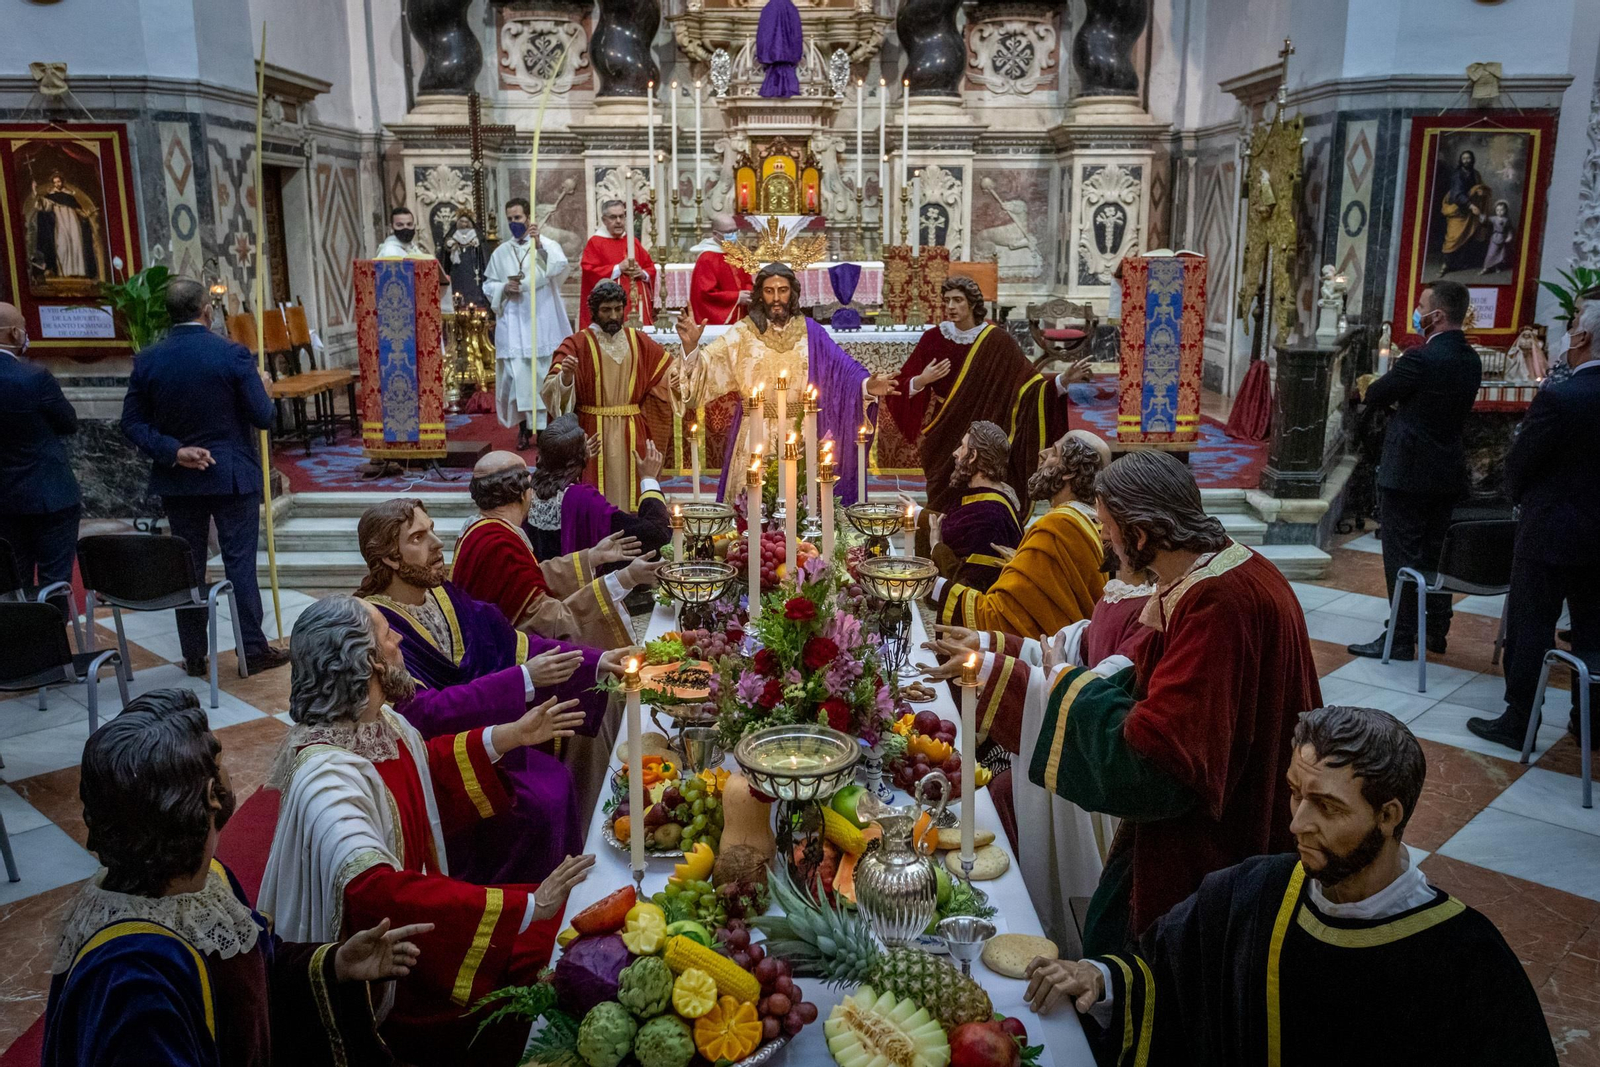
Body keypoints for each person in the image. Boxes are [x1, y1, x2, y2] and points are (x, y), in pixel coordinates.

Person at [1023, 706, 1557, 1066]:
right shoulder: (1254, 891)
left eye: (1326, 806)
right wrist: (1099, 979)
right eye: (1295, 794)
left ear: (1389, 815)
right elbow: (1162, 978)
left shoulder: (1467, 961)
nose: (1297, 823)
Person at [260, 599, 599, 1067]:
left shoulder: (382, 723)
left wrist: (510, 736)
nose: (400, 640)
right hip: (385, 975)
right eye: (387, 635)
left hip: (420, 924)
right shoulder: (325, 777)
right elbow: (374, 889)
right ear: (366, 661)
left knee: (566, 936)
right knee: (551, 954)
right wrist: (525, 905)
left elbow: (425, 770)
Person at [1021, 450, 1321, 955]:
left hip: (1216, 842)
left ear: (1139, 536)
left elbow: (1161, 758)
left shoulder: (1216, 603)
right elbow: (1157, 684)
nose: (1105, 540)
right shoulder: (1222, 568)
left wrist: (1067, 684)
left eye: (1108, 528)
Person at [46, 687, 426, 1067]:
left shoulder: (203, 883)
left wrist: (336, 963)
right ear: (212, 795)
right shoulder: (136, 980)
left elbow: (252, 965)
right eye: (222, 761)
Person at [357, 497, 638, 827]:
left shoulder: (443, 595)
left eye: (431, 530)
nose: (437, 543)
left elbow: (512, 643)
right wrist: (521, 679)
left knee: (602, 694)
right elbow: (420, 712)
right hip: (451, 759)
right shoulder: (375, 625)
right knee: (542, 800)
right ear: (390, 557)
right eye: (418, 538)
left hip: (497, 724)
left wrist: (598, 660)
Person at [923, 542, 1153, 943]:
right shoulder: (1123, 591)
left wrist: (993, 667)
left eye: (1110, 523)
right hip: (1072, 736)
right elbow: (1066, 647)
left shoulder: (1152, 612)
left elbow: (1093, 691)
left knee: (1003, 795)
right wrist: (988, 644)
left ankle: (1030, 920)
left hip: (1092, 770)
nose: (1102, 532)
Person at [121, 277, 288, 677]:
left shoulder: (148, 359)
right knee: (239, 564)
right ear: (206, 311)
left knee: (188, 567)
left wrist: (174, 451)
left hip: (178, 477)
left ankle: (194, 655)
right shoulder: (232, 354)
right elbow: (264, 417)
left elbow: (131, 423)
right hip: (231, 475)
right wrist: (264, 390)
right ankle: (252, 649)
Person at [1469, 298, 1600, 751]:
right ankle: (1591, 724)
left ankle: (1519, 720)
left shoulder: (1561, 397)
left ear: (1582, 338)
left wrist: (1523, 496)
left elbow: (1520, 462)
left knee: (1531, 627)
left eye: (1572, 326)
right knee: (1594, 629)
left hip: (1549, 533)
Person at [674, 261, 900, 504]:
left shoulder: (810, 331)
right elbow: (707, 368)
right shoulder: (742, 333)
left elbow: (842, 370)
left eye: (782, 290)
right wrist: (690, 347)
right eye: (769, 291)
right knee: (751, 513)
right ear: (760, 294)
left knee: (802, 508)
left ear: (793, 292)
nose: (776, 298)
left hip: (801, 433)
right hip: (755, 435)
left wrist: (866, 386)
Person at [1347, 280, 1482, 661]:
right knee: (1436, 554)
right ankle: (1437, 629)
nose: (1417, 312)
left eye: (1422, 306)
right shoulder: (1470, 360)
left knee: (1402, 557)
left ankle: (1401, 637)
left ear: (1436, 315)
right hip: (1447, 471)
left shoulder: (1422, 358)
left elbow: (1375, 393)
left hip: (1407, 474)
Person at [888, 275, 1087, 512]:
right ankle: (938, 540)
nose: (951, 307)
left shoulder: (998, 340)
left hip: (984, 432)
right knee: (942, 497)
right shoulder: (934, 339)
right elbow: (897, 386)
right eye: (947, 300)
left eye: (958, 300)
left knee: (979, 494)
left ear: (972, 303)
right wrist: (922, 380)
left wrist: (1062, 381)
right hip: (945, 431)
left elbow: (1028, 387)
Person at [451, 452, 660, 649]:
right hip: (507, 661)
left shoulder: (476, 530)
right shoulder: (501, 545)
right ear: (524, 493)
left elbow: (526, 578)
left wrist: (591, 557)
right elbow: (553, 624)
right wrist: (624, 579)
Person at [931, 430, 1108, 638]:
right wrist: (1023, 565)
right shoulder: (1093, 522)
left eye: (1054, 452)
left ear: (1069, 472)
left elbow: (1001, 615)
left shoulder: (1058, 525)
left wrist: (931, 581)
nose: (1042, 453)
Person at [543, 280, 675, 508]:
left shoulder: (639, 341)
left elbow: (671, 377)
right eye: (606, 310)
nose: (613, 316)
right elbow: (551, 395)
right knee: (595, 499)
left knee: (634, 497)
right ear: (594, 311)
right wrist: (566, 378)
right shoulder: (576, 344)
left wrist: (691, 348)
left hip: (633, 432)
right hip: (592, 432)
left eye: (617, 309)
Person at [0, 301, 80, 616]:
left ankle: (23, 655)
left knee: (12, 582)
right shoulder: (33, 376)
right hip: (50, 496)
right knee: (53, 582)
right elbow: (68, 422)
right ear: (14, 332)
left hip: (4, 500)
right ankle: (54, 654)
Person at [484, 198, 572, 450]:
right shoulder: (501, 252)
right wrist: (503, 288)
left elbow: (555, 270)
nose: (514, 223)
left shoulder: (546, 245)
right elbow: (489, 285)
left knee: (543, 376)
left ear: (529, 217)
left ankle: (544, 430)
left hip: (541, 318)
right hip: (514, 322)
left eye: (518, 218)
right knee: (518, 379)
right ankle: (523, 429)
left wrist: (539, 243)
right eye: (510, 219)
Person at [527, 413, 672, 561]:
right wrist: (649, 479)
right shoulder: (582, 499)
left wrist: (577, 458)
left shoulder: (530, 491)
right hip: (578, 583)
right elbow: (657, 534)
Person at [908, 420, 1023, 593]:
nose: (955, 453)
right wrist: (917, 512)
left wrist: (936, 545)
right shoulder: (986, 499)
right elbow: (956, 526)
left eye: (962, 447)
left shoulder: (988, 514)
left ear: (974, 455)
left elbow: (970, 585)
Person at [578, 198, 656, 329]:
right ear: (604, 220)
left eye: (621, 216)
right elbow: (589, 271)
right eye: (613, 217)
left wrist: (642, 273)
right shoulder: (596, 242)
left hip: (637, 306)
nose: (618, 221)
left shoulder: (632, 241)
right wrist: (618, 268)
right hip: (612, 309)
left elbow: (650, 268)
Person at [688, 212, 752, 325]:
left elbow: (747, 280)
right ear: (715, 234)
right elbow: (706, 294)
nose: (733, 235)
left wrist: (749, 293)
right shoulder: (707, 258)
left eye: (735, 230)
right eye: (728, 232)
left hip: (741, 315)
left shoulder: (736, 254)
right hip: (722, 320)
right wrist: (736, 297)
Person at [437, 208, 487, 308]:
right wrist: (450, 246)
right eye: (462, 222)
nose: (464, 224)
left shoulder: (476, 235)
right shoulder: (453, 234)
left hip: (472, 267)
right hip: (457, 269)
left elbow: (483, 252)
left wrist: (476, 245)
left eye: (466, 222)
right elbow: (445, 253)